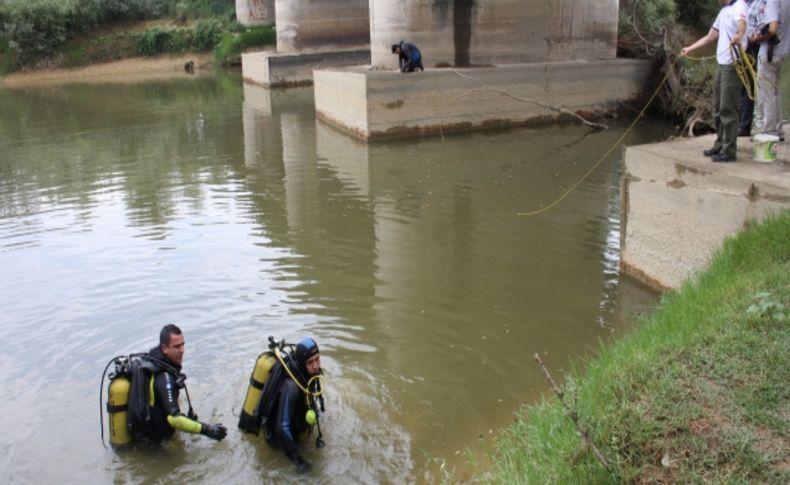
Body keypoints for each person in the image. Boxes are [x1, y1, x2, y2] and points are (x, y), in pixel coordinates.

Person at [681, 0, 748, 162]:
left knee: (728, 108)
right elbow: (711, 35)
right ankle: (720, 144)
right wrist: (690, 48)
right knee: (717, 108)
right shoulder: (724, 10)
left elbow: (742, 23)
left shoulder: (740, 6)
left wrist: (739, 35)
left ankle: (729, 150)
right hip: (721, 64)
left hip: (733, 65)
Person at [141, 324, 227, 443]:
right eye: (177, 346)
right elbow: (174, 419)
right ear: (164, 348)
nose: (182, 350)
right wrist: (208, 430)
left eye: (183, 345)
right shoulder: (164, 377)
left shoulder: (156, 362)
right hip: (157, 443)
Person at [265, 337, 324, 472]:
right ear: (303, 364)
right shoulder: (291, 387)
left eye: (317, 359)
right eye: (310, 362)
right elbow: (282, 428)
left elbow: (311, 399)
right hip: (278, 437)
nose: (316, 365)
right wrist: (299, 462)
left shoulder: (310, 374)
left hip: (296, 422)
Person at [751, 0, 790, 141]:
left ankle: (769, 131)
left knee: (766, 93)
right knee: (775, 91)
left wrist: (755, 38)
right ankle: (778, 130)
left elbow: (772, 29)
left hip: (769, 53)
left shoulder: (772, 1)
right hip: (782, 53)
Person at [738, 0, 767, 136]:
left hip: (752, 49)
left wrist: (752, 38)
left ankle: (744, 126)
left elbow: (764, 29)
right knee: (740, 86)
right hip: (741, 48)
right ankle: (739, 123)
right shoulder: (740, 4)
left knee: (748, 87)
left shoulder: (758, 4)